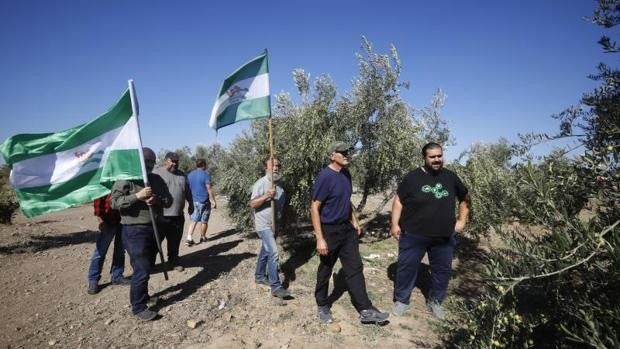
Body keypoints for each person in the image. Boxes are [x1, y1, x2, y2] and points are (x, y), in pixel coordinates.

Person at [310, 141, 389, 325]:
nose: (346, 155)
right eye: (342, 152)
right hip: (329, 230)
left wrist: (354, 220)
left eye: (347, 152)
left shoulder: (346, 173)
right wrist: (320, 238)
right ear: (332, 155)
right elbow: (314, 208)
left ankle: (365, 309)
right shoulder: (325, 177)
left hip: (347, 230)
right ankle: (322, 304)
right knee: (326, 269)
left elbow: (346, 200)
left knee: (355, 268)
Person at [390, 142, 470, 320]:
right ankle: (402, 300)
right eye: (432, 157)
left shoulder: (450, 177)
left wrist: (462, 221)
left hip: (443, 235)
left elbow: (465, 198)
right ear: (424, 158)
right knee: (406, 267)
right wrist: (394, 224)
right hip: (413, 233)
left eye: (439, 156)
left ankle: (435, 302)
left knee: (442, 270)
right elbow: (398, 201)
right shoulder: (412, 177)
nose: (436, 160)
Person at [110, 147, 172, 321]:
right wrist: (137, 196)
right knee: (142, 269)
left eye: (152, 161)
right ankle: (138, 307)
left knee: (148, 266)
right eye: (146, 161)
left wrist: (157, 200)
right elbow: (114, 203)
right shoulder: (125, 179)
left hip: (155, 228)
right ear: (137, 161)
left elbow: (169, 201)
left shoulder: (156, 179)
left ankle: (144, 297)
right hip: (134, 230)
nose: (149, 165)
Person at [250, 156, 290, 299]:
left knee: (266, 251)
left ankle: (260, 276)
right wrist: (267, 196)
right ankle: (276, 286)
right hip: (263, 226)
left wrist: (281, 224)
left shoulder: (280, 189)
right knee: (273, 253)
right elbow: (253, 204)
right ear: (265, 168)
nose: (276, 168)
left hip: (274, 226)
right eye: (272, 165)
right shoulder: (260, 184)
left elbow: (281, 209)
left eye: (278, 166)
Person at [153, 152, 193, 272]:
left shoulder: (182, 175)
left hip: (178, 215)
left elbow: (187, 191)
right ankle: (149, 263)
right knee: (155, 241)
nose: (175, 163)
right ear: (165, 160)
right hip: (161, 215)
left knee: (174, 241)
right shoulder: (156, 173)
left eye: (177, 161)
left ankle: (173, 261)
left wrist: (191, 203)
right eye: (172, 161)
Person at [86, 194, 130, 295]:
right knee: (100, 251)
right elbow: (98, 201)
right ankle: (93, 280)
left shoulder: (124, 180)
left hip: (123, 220)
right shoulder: (106, 182)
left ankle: (117, 276)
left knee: (120, 250)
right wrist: (100, 220)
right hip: (108, 221)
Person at [185, 158, 217, 246]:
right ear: (203, 165)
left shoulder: (190, 174)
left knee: (193, 219)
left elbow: (187, 187)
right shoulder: (205, 174)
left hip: (194, 201)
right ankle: (203, 237)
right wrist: (213, 201)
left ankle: (189, 237)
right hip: (204, 201)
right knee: (204, 220)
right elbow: (209, 188)